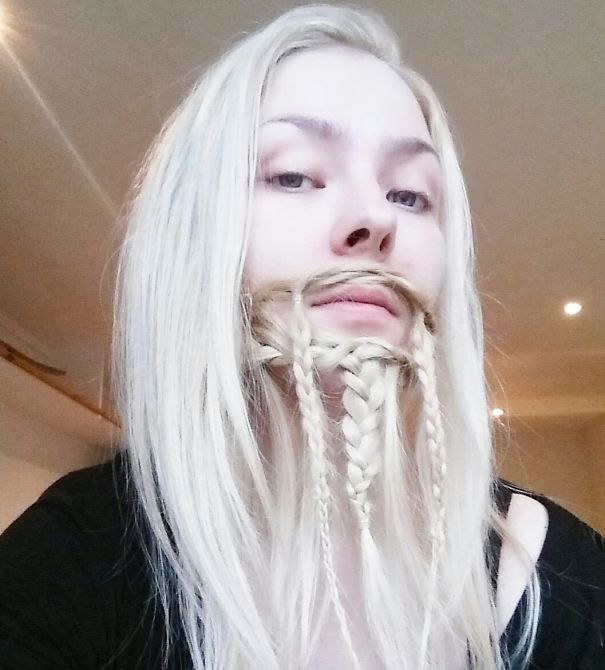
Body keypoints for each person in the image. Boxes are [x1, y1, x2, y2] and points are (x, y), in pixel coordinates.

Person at [0, 5, 603, 669]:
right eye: (293, 175)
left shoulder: (563, 575)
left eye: (409, 194)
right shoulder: (69, 561)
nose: (374, 217)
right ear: (195, 235)